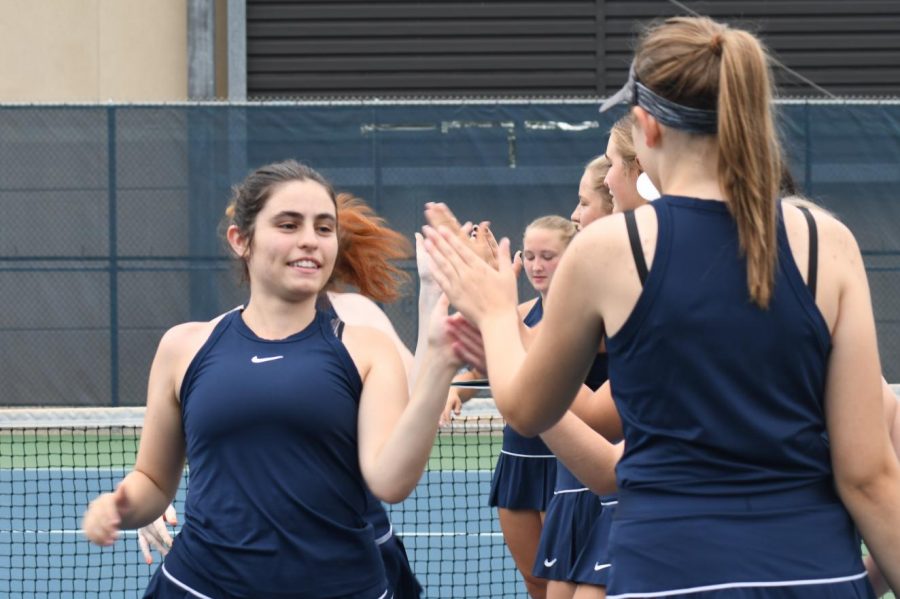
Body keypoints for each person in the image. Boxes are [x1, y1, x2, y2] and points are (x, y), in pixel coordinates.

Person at [423, 14, 900, 598]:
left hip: (668, 578)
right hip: (815, 576)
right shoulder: (829, 242)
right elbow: (870, 476)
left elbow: (526, 407)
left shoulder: (608, 251)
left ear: (646, 126)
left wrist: (495, 311)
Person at [83, 160, 462, 598]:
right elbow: (151, 481)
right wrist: (118, 505)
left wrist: (441, 361)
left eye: (324, 228)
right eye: (288, 224)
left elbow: (391, 482)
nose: (309, 241)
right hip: (200, 586)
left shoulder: (367, 349)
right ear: (241, 240)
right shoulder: (182, 347)